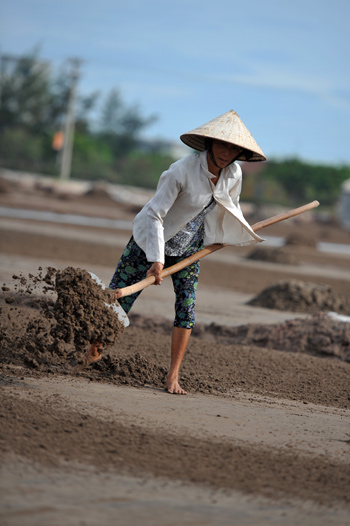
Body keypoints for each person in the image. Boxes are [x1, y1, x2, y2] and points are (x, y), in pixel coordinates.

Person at [86, 110, 266, 394]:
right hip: (148, 244)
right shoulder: (180, 171)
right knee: (120, 302)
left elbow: (230, 205)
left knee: (187, 309)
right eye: (221, 145)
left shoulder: (234, 173)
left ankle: (173, 376)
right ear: (208, 143)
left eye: (232, 148)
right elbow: (155, 215)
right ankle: (92, 355)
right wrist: (156, 260)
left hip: (188, 250)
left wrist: (229, 235)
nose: (225, 152)